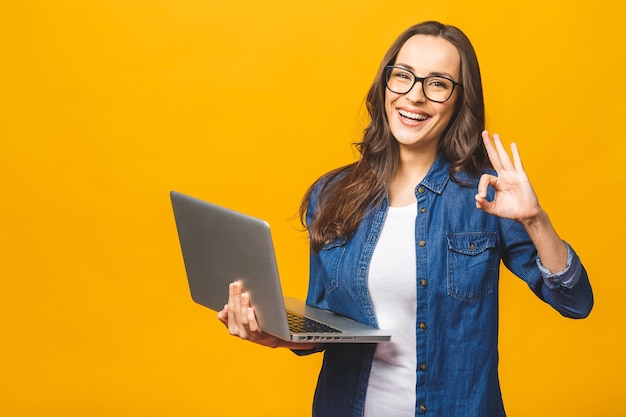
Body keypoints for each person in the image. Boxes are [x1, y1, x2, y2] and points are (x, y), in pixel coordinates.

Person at [217, 20, 593, 416]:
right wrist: (276, 335)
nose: (414, 97)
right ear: (385, 85)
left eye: (437, 83)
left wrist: (535, 220)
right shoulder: (333, 194)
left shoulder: (486, 194)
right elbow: (325, 326)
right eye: (403, 76)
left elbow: (575, 301)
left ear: (459, 100)